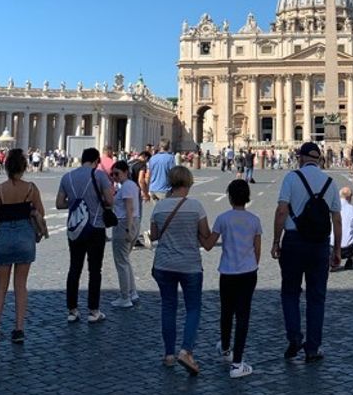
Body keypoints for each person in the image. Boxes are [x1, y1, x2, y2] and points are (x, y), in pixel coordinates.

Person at [271, 142, 342, 363]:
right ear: (320, 159)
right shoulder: (330, 182)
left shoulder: (291, 178)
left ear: (300, 157)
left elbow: (282, 210)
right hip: (320, 245)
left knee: (290, 293)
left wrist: (276, 240)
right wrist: (337, 249)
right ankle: (312, 348)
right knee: (317, 297)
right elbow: (337, 219)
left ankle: (294, 337)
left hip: (293, 242)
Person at [150, 165, 213, 372]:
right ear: (188, 183)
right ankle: (186, 350)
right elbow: (205, 235)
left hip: (164, 264)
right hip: (190, 265)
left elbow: (154, 235)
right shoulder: (196, 206)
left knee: (168, 307)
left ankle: (169, 354)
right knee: (193, 308)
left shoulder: (159, 207)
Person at [0, 147, 48, 346]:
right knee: (20, 285)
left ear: (5, 167)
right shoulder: (31, 188)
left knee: (0, 286)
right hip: (25, 237)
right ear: (24, 168)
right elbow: (41, 213)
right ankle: (19, 329)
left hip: (4, 237)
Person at [56, 147, 115, 323]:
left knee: (74, 268)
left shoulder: (67, 177)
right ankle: (93, 310)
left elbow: (60, 203)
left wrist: (75, 203)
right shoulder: (99, 176)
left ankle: (72, 310)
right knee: (95, 270)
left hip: (75, 228)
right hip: (96, 226)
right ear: (97, 161)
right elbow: (110, 201)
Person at [210, 178, 261, 379]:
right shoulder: (254, 220)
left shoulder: (222, 218)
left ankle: (224, 348)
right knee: (243, 316)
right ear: (247, 197)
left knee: (226, 311)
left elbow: (209, 243)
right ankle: (238, 362)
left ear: (229, 197)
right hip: (247, 272)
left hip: (227, 271)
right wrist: (251, 264)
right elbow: (258, 249)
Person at [108, 159, 140, 309]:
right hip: (132, 222)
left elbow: (129, 209)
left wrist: (128, 229)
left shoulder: (126, 187)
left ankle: (125, 296)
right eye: (112, 174)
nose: (114, 177)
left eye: (117, 174)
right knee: (125, 260)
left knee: (120, 261)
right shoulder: (131, 186)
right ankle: (132, 292)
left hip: (123, 224)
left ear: (126, 172)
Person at [337, 187, 353, 270]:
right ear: (349, 197)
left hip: (332, 247)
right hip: (348, 248)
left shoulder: (332, 208)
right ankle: (350, 260)